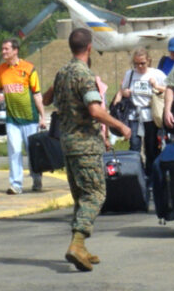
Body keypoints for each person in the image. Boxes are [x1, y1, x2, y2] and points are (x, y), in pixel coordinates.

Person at [53, 28, 131, 271]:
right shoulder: (84, 74)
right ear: (88, 48)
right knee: (95, 194)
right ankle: (77, 243)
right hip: (85, 144)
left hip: (67, 144)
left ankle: (81, 248)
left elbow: (46, 99)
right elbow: (95, 110)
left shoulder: (62, 72)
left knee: (81, 198)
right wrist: (121, 126)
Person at [0, 38, 46, 194]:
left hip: (29, 118)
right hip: (12, 119)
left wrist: (42, 116)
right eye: (2, 49)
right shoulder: (0, 70)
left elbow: (37, 94)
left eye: (7, 49)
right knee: (15, 150)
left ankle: (37, 179)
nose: (4, 52)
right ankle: (16, 184)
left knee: (32, 152)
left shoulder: (29, 69)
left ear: (15, 50)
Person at [111, 48, 166, 177]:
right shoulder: (130, 74)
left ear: (148, 61)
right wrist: (123, 94)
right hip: (134, 115)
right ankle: (137, 173)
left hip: (150, 116)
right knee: (135, 146)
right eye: (136, 64)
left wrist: (156, 86)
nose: (140, 67)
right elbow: (122, 90)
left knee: (151, 148)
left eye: (142, 63)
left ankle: (151, 176)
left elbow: (169, 90)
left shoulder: (157, 74)